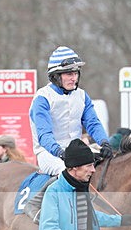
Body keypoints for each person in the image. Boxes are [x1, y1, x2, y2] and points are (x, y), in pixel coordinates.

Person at [29, 46, 112, 176]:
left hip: (76, 151)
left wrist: (104, 142)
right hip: (49, 154)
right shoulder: (42, 98)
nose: (74, 78)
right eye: (69, 74)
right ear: (56, 76)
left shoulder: (82, 95)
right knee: (70, 173)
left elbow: (93, 123)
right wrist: (60, 153)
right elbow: (44, 135)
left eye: (76, 73)